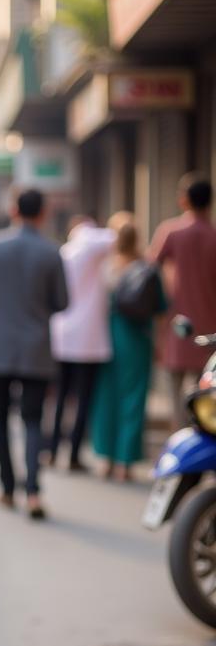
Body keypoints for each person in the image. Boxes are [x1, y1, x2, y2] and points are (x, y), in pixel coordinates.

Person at [0, 188, 69, 520]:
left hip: (0, 348)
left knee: (0, 420)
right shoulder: (52, 251)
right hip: (37, 349)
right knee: (33, 421)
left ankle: (6, 487)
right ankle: (33, 492)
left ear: (14, 211)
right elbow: (63, 302)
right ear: (43, 213)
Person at [92, 213, 167, 482]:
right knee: (133, 400)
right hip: (137, 339)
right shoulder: (147, 268)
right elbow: (161, 309)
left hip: (106, 337)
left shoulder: (104, 268)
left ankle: (106, 458)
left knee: (105, 399)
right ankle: (125, 462)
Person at [47, 216, 115, 470]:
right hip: (88, 339)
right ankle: (73, 453)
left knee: (61, 397)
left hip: (63, 336)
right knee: (84, 399)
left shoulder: (65, 252)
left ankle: (53, 449)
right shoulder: (91, 246)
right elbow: (113, 236)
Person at [154, 177, 216, 428]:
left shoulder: (172, 232)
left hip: (176, 325)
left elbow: (148, 271)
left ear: (184, 200)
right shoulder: (213, 236)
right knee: (205, 391)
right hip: (209, 328)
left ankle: (179, 438)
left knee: (174, 392)